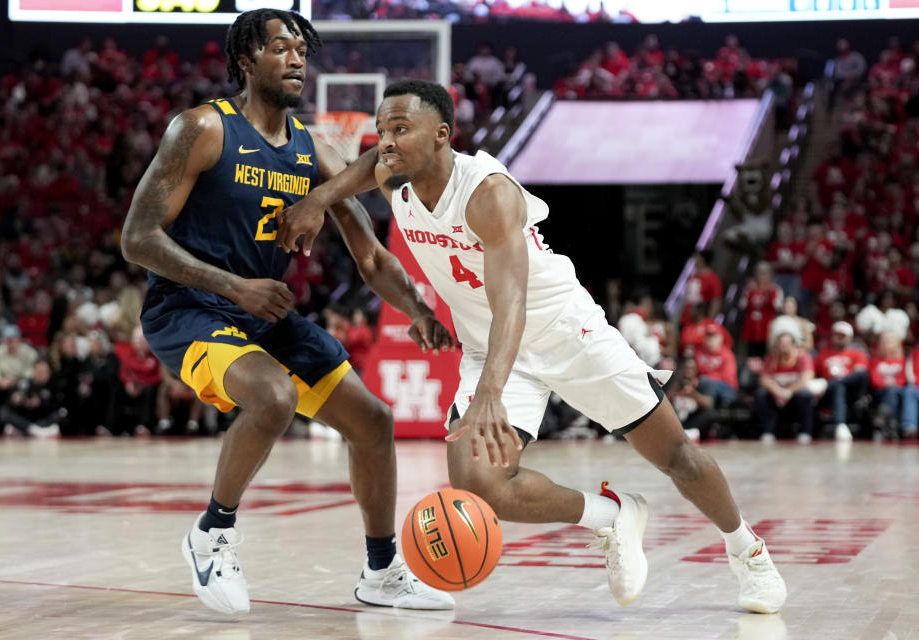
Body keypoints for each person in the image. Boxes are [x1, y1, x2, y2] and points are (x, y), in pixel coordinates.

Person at [275, 79, 787, 614]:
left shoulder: (488, 193)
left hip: (566, 332)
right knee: (480, 482)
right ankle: (612, 516)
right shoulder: (394, 174)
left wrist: (491, 394)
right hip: (490, 350)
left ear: (442, 135)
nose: (386, 141)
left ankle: (747, 550)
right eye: (382, 130)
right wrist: (318, 198)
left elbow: (511, 303)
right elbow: (359, 168)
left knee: (675, 455)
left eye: (401, 129)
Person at [121, 10, 455, 617]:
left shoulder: (313, 149)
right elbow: (137, 238)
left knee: (374, 422)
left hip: (261, 313)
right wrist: (235, 286)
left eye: (302, 48)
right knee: (272, 397)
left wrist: (418, 309)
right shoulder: (201, 129)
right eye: (281, 47)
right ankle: (211, 534)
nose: (298, 58)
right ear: (247, 61)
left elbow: (371, 258)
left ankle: (382, 572)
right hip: (187, 306)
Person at [813, 321, 868, 441]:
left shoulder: (858, 354)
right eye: (836, 335)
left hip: (852, 393)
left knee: (855, 377)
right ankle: (840, 426)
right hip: (829, 394)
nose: (839, 338)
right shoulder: (823, 355)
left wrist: (836, 381)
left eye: (842, 335)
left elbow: (859, 375)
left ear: (850, 338)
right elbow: (812, 374)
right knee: (838, 388)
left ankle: (840, 425)